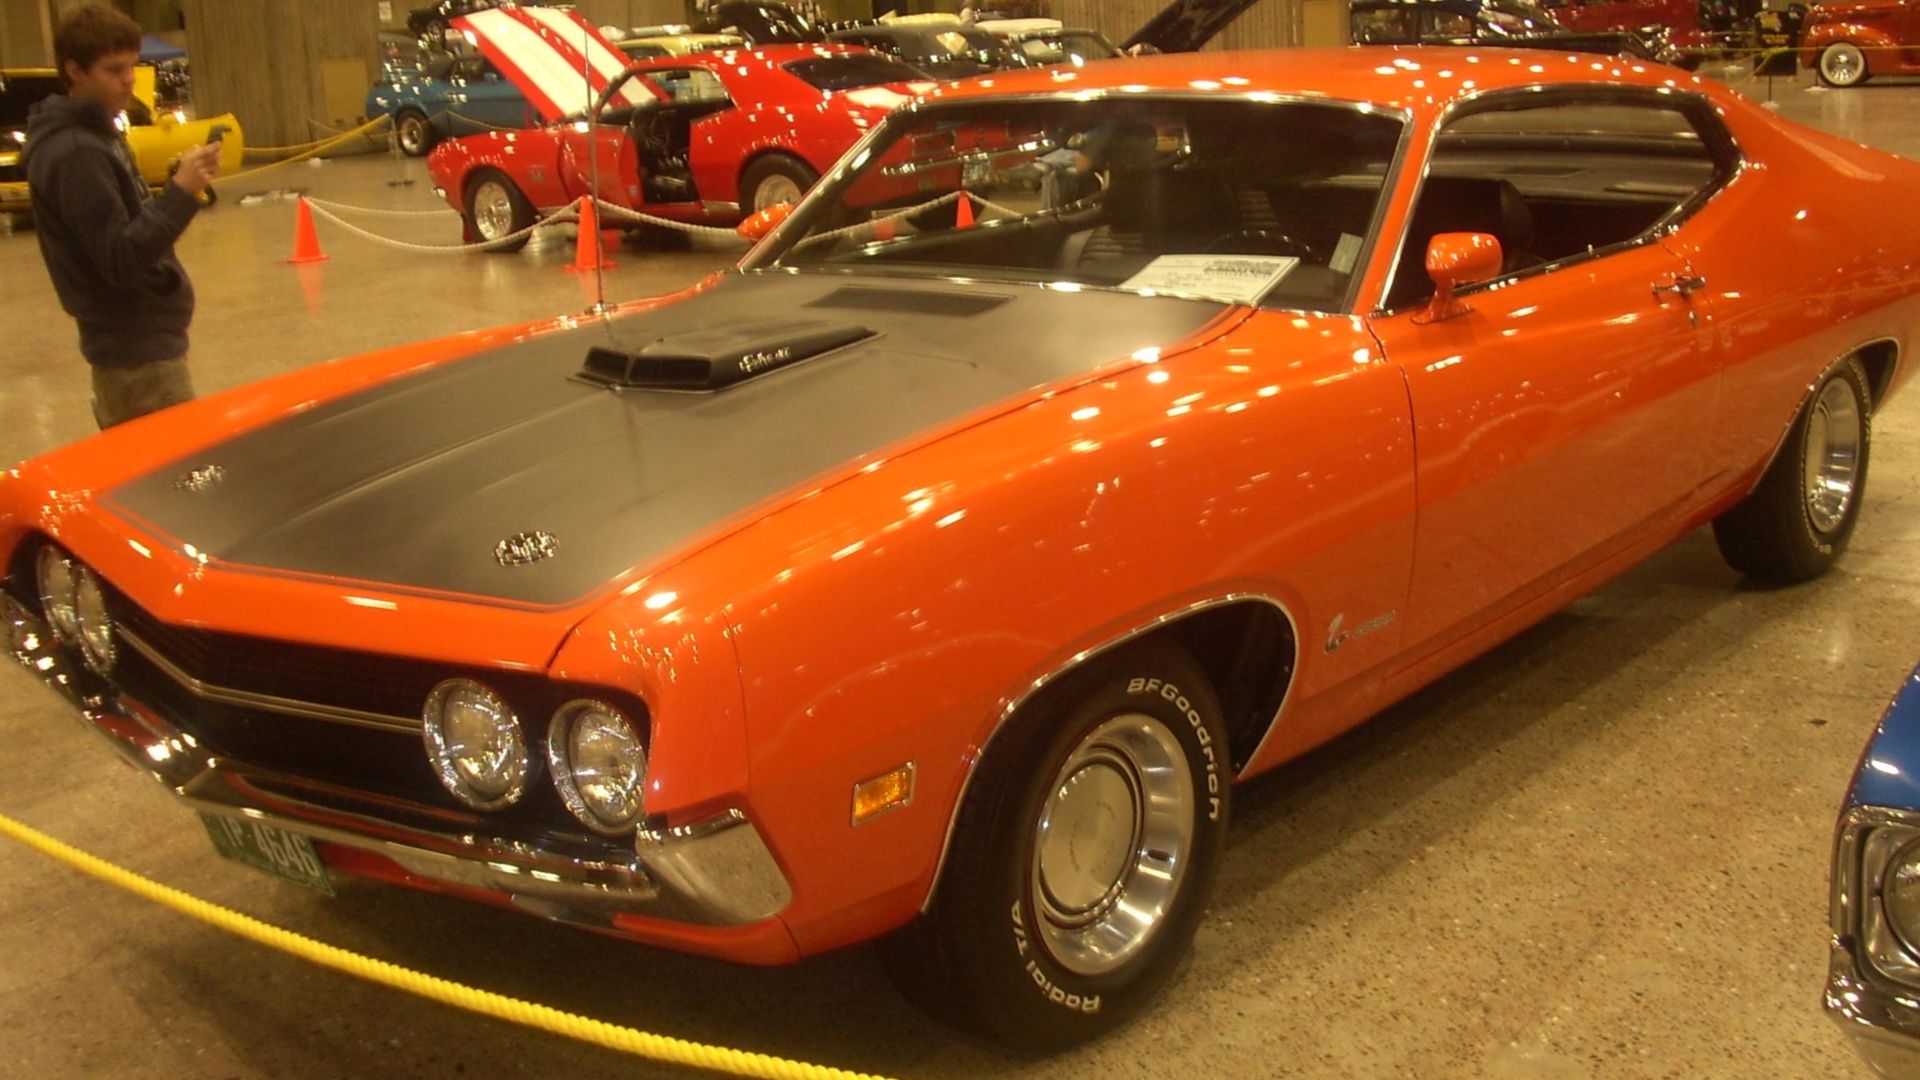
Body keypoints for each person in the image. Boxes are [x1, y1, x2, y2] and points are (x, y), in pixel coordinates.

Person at [24, 4, 221, 429]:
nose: (129, 79)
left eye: (132, 66)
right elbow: (120, 257)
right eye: (114, 70)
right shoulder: (76, 152)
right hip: (137, 361)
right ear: (74, 71)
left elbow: (127, 228)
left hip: (143, 346)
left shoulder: (97, 135)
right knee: (172, 481)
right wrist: (182, 193)